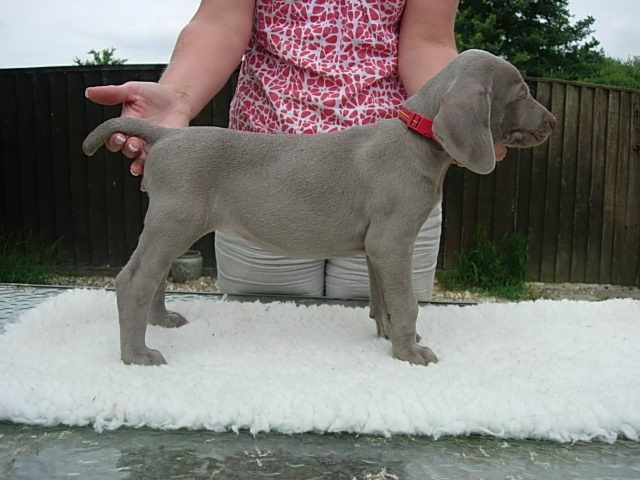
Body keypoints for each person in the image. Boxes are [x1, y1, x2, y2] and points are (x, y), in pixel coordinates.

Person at [86, 0, 505, 300]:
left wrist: (460, 122)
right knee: (266, 335)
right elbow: (220, 22)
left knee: (387, 346)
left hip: (394, 174)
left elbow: (427, 41)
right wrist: (178, 96)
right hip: (260, 177)